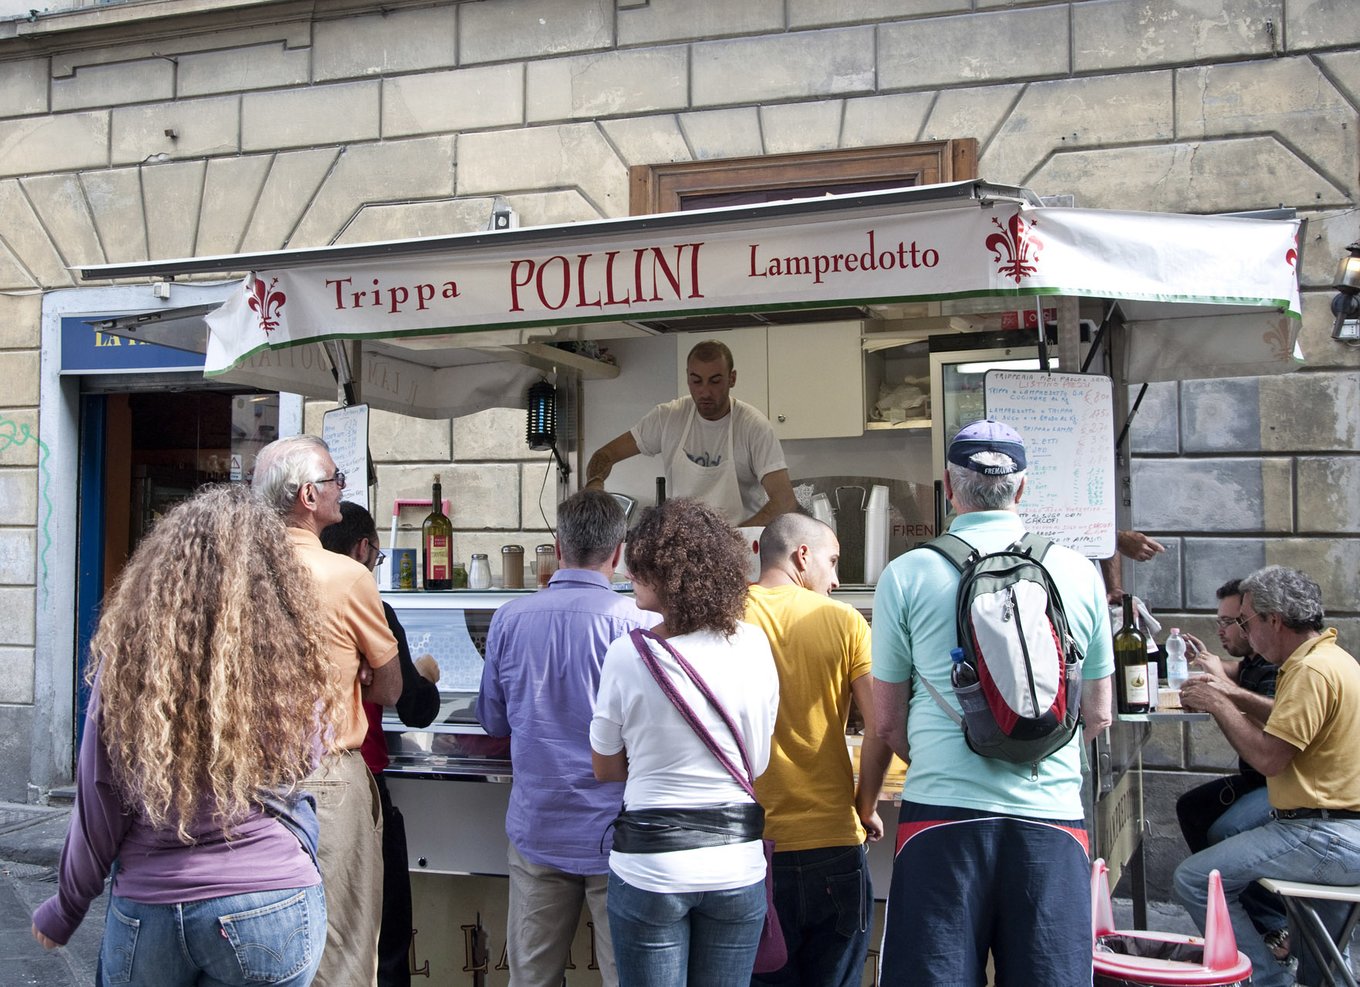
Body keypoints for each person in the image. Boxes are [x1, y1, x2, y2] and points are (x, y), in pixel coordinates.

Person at [31, 484, 346, 986]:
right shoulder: (288, 656)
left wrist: (67, 907)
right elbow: (304, 758)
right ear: (270, 574)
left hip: (153, 903)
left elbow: (99, 798)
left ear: (163, 569)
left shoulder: (131, 664)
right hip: (271, 899)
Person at [870, 418, 1114, 987]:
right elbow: (1098, 714)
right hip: (1051, 817)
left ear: (949, 487)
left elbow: (886, 723)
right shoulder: (1079, 572)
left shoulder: (905, 574)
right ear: (1022, 488)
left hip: (940, 818)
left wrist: (954, 748)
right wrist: (1034, 747)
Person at [590, 498, 780, 986]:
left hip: (651, 869)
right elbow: (754, 762)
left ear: (668, 573)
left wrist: (654, 764)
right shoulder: (754, 645)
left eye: (641, 564)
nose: (630, 572)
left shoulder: (627, 657)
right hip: (735, 864)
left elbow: (605, 768)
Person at [475, 490, 656, 987]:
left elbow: (493, 721)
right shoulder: (640, 626)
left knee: (532, 978)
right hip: (618, 835)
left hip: (539, 828)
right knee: (626, 977)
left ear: (558, 546)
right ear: (618, 553)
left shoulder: (509, 619)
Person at [253, 434, 402, 987]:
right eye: (336, 479)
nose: (344, 487)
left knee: (267, 933)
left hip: (249, 774)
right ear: (309, 496)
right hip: (328, 777)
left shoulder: (236, 571)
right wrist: (362, 671)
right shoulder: (348, 577)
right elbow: (389, 688)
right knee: (341, 944)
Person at [1174, 565, 1360, 987]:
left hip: (1322, 833)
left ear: (1273, 620)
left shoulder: (1309, 672)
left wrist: (1220, 704)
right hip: (1341, 830)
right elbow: (1287, 719)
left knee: (1194, 879)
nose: (1244, 632)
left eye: (1245, 621)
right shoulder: (1329, 658)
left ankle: (1265, 979)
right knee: (1321, 974)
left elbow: (1270, 760)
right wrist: (1229, 695)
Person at [742, 512, 894, 987]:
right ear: (801, 556)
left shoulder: (723, 616)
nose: (836, 578)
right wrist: (864, 805)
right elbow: (884, 726)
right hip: (832, 843)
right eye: (832, 561)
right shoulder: (844, 621)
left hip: (750, 847)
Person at [321, 501, 442, 987]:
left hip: (290, 783)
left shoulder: (286, 594)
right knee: (384, 935)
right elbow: (413, 705)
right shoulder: (369, 604)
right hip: (358, 783)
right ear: (364, 547)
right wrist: (427, 677)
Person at [1173, 577, 1286, 959]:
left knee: (1226, 832)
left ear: (1269, 622)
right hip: (1264, 778)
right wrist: (1217, 670)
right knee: (1193, 809)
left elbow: (1269, 746)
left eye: (1234, 621)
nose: (1223, 629)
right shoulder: (1259, 660)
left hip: (1284, 784)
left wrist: (1221, 694)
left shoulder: (1288, 667)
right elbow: (1241, 672)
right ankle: (1251, 926)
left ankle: (1274, 929)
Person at [584, 339, 798, 526]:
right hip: (683, 552)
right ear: (688, 378)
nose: (705, 391)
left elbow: (785, 501)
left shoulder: (753, 426)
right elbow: (604, 455)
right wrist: (595, 485)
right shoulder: (667, 418)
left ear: (732, 379)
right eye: (696, 381)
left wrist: (735, 540)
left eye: (715, 381)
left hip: (740, 553)